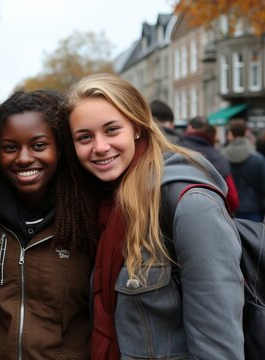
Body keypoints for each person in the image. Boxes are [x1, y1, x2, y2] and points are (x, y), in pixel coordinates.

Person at [64, 73, 244, 359]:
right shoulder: (101, 201)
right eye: (84, 137)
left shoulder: (190, 204)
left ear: (136, 127)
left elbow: (218, 341)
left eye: (112, 130)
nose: (99, 146)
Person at [0, 90, 97, 359]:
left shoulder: (87, 216)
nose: (23, 158)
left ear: (60, 148)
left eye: (38, 145)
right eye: (10, 147)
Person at [178, 116, 239, 212]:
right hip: (211, 212)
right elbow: (233, 199)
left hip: (176, 212)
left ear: (190, 128)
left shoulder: (175, 150)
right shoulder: (219, 158)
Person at [221, 118, 265, 222]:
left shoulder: (222, 158)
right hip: (254, 209)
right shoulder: (258, 159)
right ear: (246, 132)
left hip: (229, 209)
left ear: (231, 133)